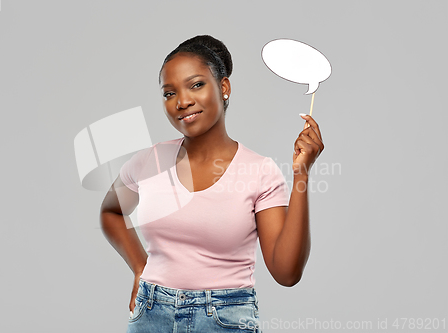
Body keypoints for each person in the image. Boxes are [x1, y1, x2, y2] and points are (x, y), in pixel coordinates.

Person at [100, 35, 324, 333]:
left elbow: (287, 273)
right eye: (169, 93)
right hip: (151, 315)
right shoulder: (149, 161)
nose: (182, 101)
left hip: (224, 319)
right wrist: (141, 269)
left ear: (224, 88)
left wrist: (301, 175)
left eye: (196, 85)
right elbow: (111, 212)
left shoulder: (259, 171)